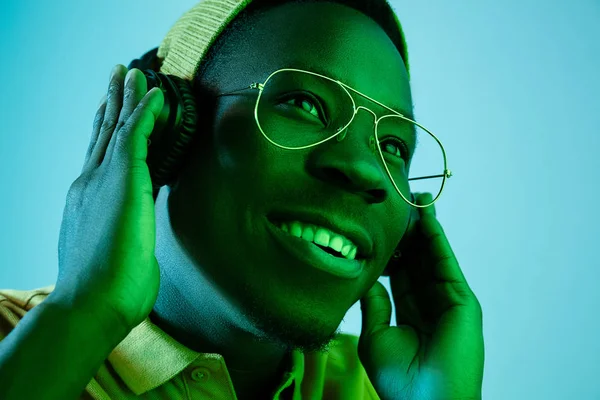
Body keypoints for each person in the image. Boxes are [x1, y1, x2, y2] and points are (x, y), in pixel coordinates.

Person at [0, 0, 485, 399]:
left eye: (394, 147)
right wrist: (83, 312)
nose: (367, 172)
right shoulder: (20, 345)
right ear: (166, 131)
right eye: (304, 103)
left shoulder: (376, 389)